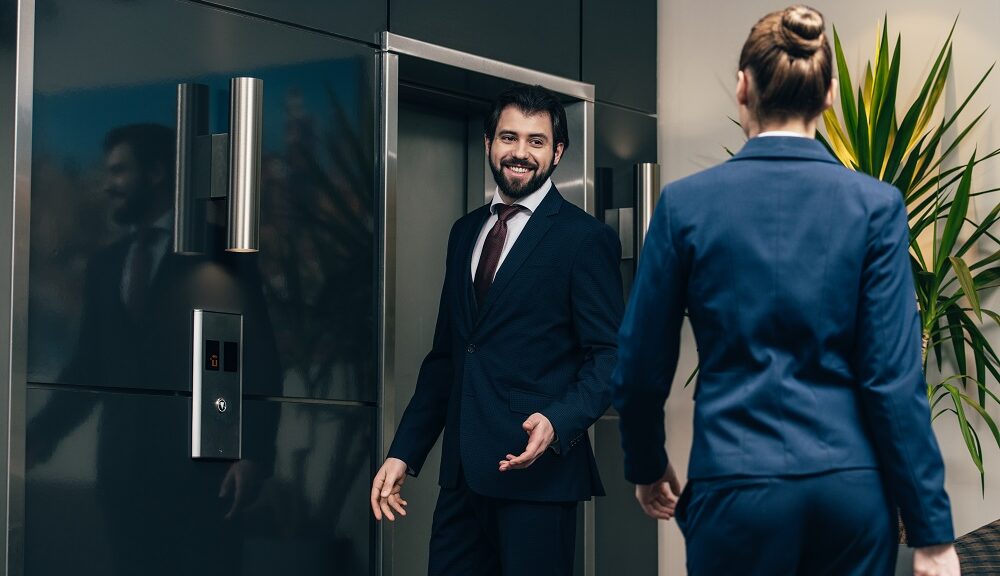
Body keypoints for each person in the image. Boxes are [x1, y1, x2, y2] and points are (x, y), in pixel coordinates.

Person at [611, 6, 959, 576]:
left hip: (736, 489)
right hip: (849, 495)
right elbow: (893, 379)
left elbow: (640, 363)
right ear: (828, 95)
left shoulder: (685, 205)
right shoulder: (875, 207)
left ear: (743, 87)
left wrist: (647, 466)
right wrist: (932, 533)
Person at [370, 85, 624, 575]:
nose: (520, 152)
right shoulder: (465, 232)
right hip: (462, 480)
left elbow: (611, 355)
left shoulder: (584, 239)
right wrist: (404, 452)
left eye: (536, 141)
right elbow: (449, 355)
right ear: (488, 143)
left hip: (537, 478)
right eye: (510, 137)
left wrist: (557, 421)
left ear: (557, 153)